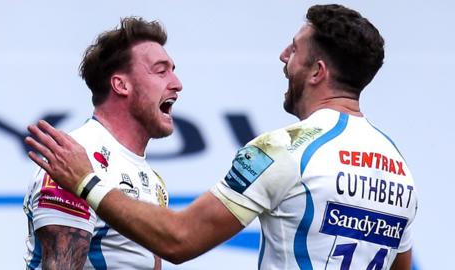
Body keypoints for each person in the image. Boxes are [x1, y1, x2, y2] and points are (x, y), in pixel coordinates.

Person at [26, 4, 417, 269]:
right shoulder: (399, 168)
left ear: (317, 71)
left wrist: (86, 182)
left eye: (294, 49)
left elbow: (180, 239)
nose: (284, 56)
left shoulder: (283, 148)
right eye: (161, 70)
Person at [23, 16, 182, 269]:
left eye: (173, 71)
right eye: (161, 71)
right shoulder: (74, 160)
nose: (177, 84)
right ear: (121, 85)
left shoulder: (154, 182)